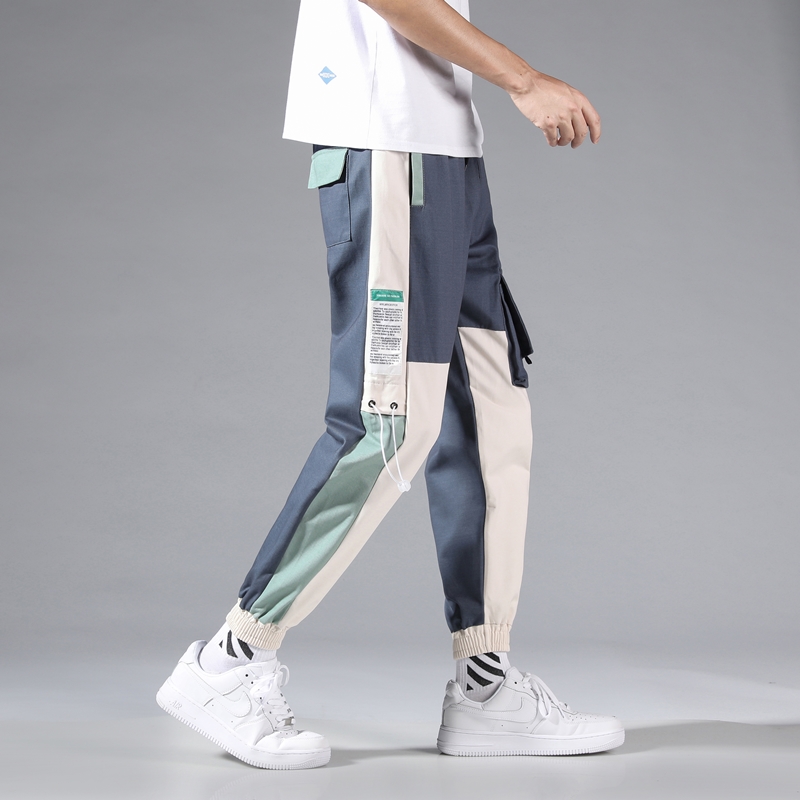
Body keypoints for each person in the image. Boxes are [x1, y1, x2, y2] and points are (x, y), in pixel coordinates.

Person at [157, 0, 624, 769]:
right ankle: (230, 660)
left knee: (490, 414)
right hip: (385, 145)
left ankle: (486, 684)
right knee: (389, 422)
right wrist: (523, 78)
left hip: (445, 146)